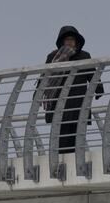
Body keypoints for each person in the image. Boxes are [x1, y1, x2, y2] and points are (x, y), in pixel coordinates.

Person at [40, 26, 104, 154]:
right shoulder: (53, 57)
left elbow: (92, 74)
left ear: (76, 41)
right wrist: (38, 93)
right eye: (67, 39)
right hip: (58, 105)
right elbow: (45, 78)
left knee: (76, 139)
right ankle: (62, 164)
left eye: (72, 39)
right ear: (62, 41)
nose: (69, 42)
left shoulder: (84, 56)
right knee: (61, 141)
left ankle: (74, 166)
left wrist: (98, 88)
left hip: (78, 104)